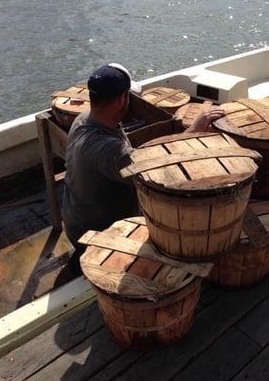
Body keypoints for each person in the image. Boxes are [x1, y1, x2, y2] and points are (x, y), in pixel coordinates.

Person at [62, 63, 225, 269]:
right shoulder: (108, 149)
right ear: (122, 99)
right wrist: (195, 129)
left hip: (75, 222)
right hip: (93, 236)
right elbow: (155, 170)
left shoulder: (82, 120)